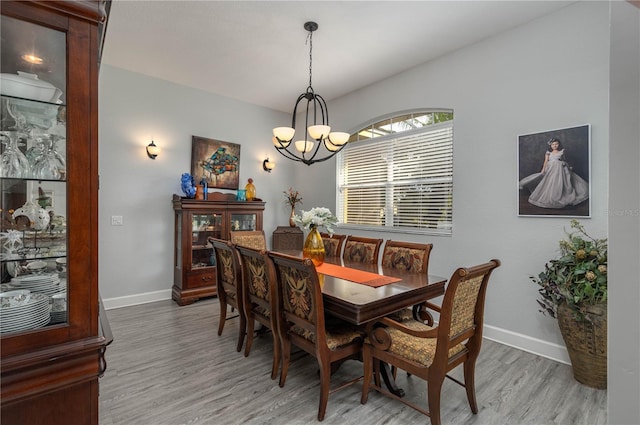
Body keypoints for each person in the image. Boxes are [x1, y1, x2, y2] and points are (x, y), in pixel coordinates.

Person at [519, 138, 589, 208]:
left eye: (556, 144)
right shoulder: (548, 152)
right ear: (550, 145)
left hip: (560, 168)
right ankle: (550, 195)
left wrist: (568, 166)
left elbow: (563, 159)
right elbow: (545, 161)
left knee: (561, 181)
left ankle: (561, 195)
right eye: (553, 144)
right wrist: (543, 169)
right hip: (551, 168)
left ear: (559, 144)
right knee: (550, 181)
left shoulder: (562, 151)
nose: (555, 146)